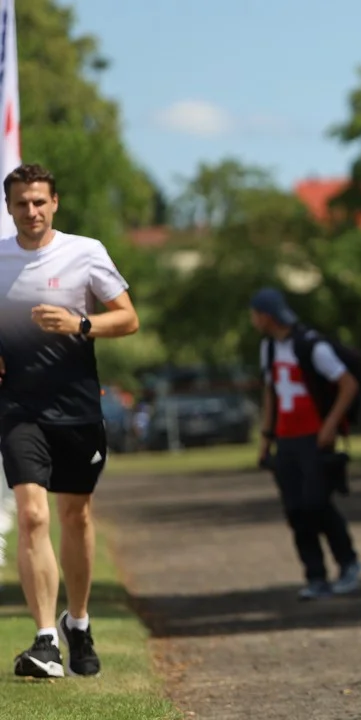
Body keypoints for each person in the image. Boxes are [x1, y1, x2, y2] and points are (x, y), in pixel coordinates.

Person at [0, 163, 140, 678]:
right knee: (33, 515)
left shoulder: (85, 252)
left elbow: (128, 317)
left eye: (39, 202)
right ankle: (44, 642)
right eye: (21, 203)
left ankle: (76, 622)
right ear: (9, 207)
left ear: (54, 203)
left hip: (77, 408)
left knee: (75, 517)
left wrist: (81, 323)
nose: (31, 212)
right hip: (19, 409)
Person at [251, 288, 361, 600]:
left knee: (317, 504)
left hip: (314, 439)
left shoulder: (311, 345)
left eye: (255, 314)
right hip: (285, 440)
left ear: (266, 316)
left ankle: (348, 563)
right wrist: (265, 440)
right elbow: (271, 394)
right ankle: (315, 577)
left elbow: (348, 384)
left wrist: (329, 426)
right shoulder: (269, 349)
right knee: (296, 511)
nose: (253, 320)